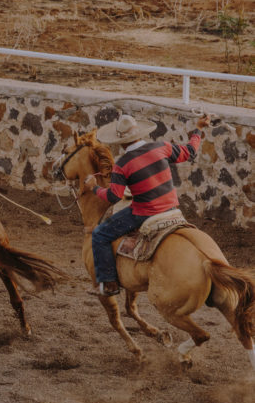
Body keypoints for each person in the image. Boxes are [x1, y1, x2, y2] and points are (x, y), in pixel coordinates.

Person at [86, 113, 210, 297]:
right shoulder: (162, 147)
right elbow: (190, 151)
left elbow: (114, 196)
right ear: (139, 134)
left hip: (144, 213)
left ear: (120, 141)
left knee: (99, 234)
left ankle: (108, 284)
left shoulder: (122, 164)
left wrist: (94, 188)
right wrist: (199, 128)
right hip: (171, 209)